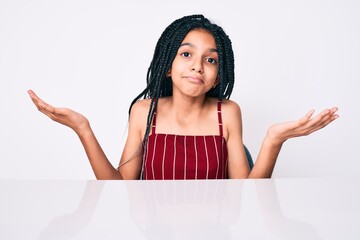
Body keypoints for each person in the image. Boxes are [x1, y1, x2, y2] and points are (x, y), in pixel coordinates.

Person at [28, 14, 339, 180]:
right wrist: (83, 128)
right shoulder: (143, 111)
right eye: (186, 53)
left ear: (219, 72)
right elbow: (117, 191)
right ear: (167, 66)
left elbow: (248, 198)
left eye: (211, 59)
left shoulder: (228, 112)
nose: (197, 66)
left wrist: (273, 139)